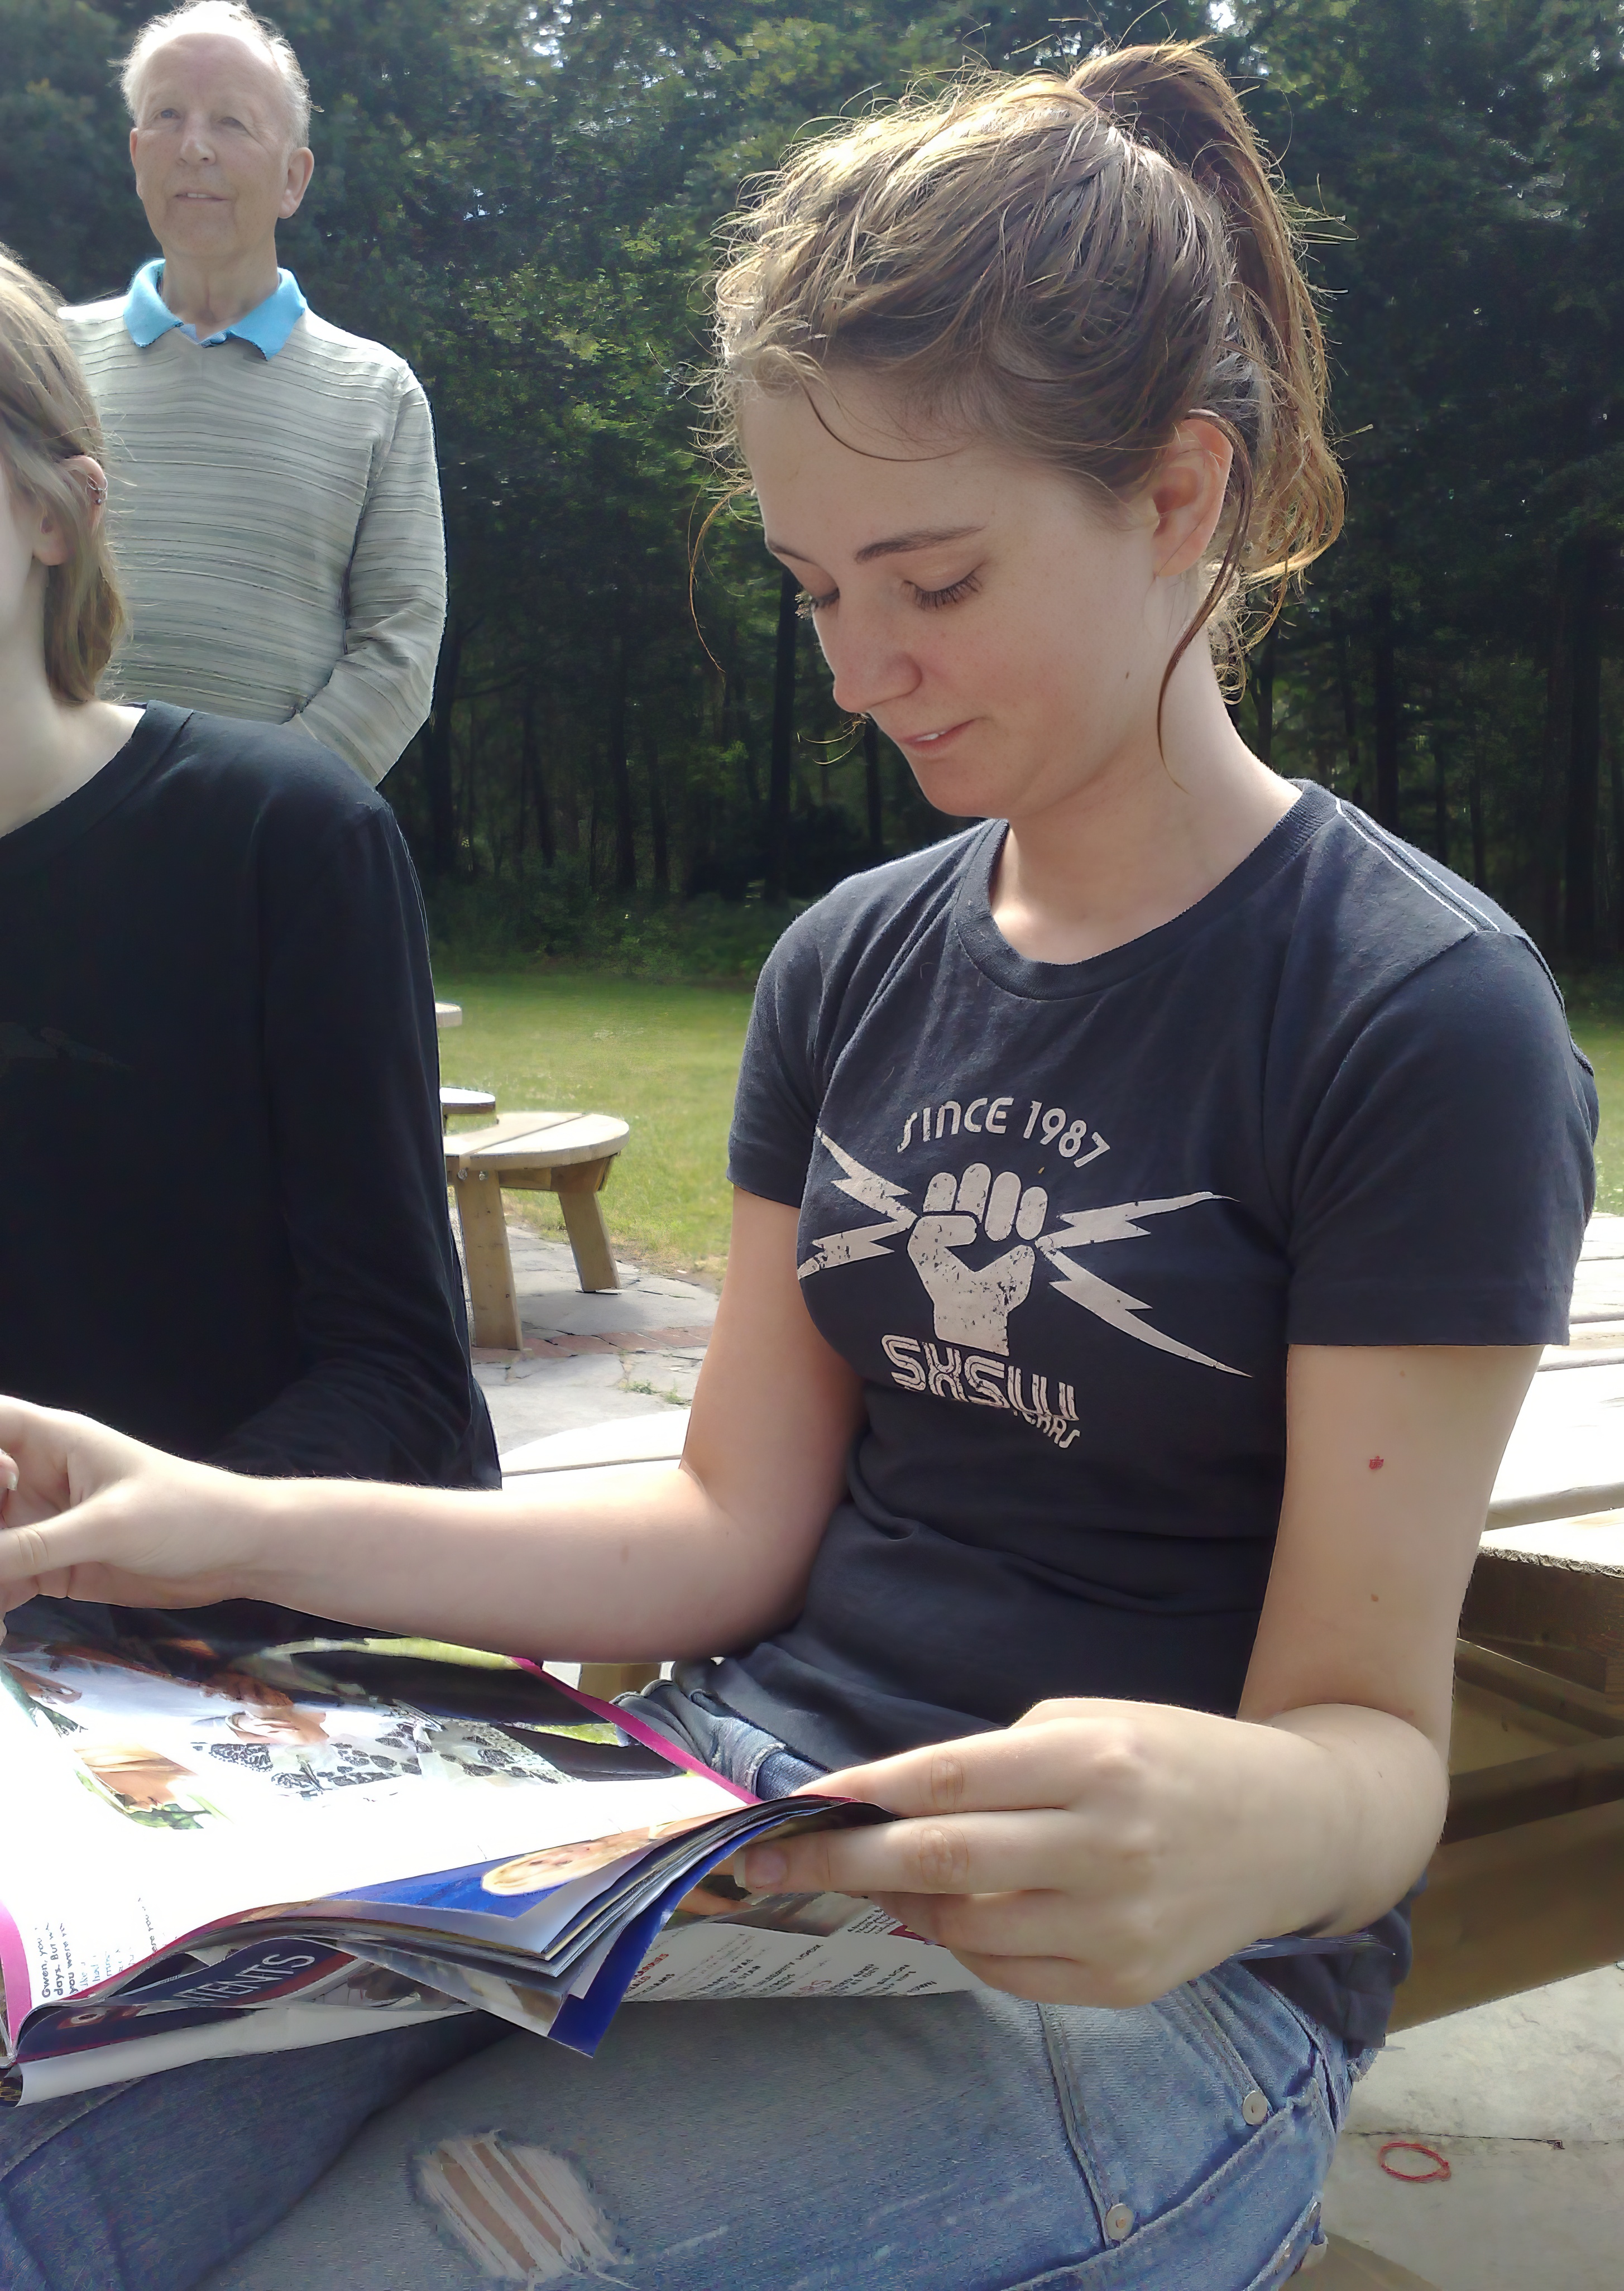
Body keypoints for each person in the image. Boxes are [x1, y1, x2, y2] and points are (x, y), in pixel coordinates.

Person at [0, 42, 1597, 2291]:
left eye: (927, 581)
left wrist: (1235, 1819)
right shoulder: (851, 964)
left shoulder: (1404, 1007)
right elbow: (722, 1524)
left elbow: (1367, 1749)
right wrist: (213, 1524)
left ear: (1176, 491)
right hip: (718, 1837)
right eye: (812, 587)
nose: (859, 670)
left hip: (1151, 1991)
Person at [0, 248, 496, 1541]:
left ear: (56, 515)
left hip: (257, 1638)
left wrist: (123, 1558)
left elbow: (402, 1379)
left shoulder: (287, 840)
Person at [58, 1, 445, 787]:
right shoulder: (43, 362)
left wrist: (255, 804)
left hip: (267, 863)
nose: (194, 147)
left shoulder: (380, 391)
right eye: (168, 115)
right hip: (44, 839)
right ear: (137, 156)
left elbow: (400, 645)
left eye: (232, 122)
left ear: (293, 178)